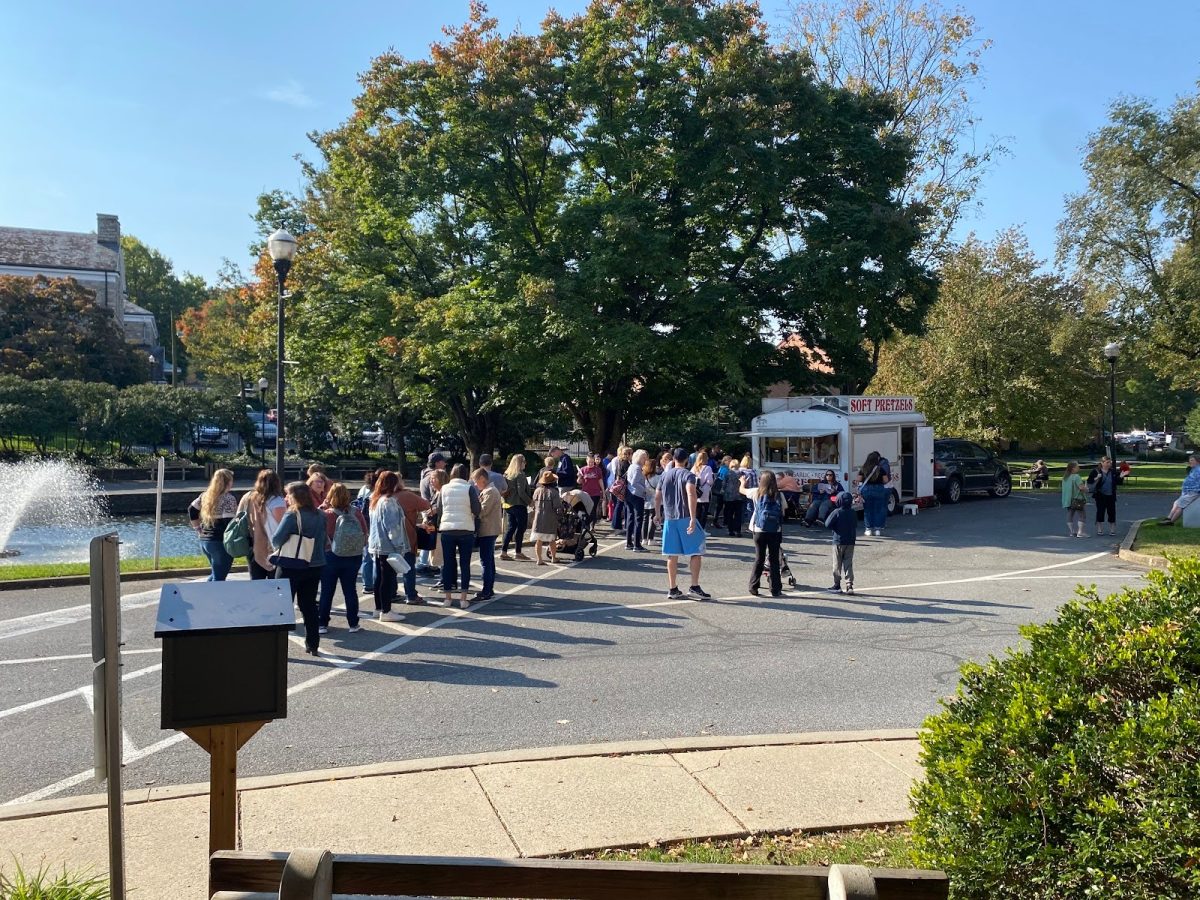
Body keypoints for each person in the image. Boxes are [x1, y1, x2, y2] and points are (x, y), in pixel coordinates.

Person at [271, 482, 328, 655]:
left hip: (291, 564)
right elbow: (324, 538)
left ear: (295, 497)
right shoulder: (320, 515)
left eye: (288, 495)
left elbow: (276, 540)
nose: (286, 498)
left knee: (282, 606)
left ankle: (278, 645)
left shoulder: (292, 516)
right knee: (309, 606)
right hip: (315, 564)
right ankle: (313, 644)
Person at [655, 447, 711, 600]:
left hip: (669, 518)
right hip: (685, 516)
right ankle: (694, 586)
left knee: (671, 555)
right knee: (696, 551)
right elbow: (691, 493)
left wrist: (657, 514)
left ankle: (672, 588)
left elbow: (657, 496)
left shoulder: (664, 476)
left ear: (673, 459)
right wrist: (693, 517)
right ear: (687, 460)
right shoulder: (688, 475)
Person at [318, 483, 367, 634]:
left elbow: (318, 532)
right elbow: (365, 534)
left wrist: (322, 507)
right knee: (350, 590)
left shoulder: (327, 514)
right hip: (353, 556)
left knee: (327, 591)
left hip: (331, 555)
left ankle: (322, 624)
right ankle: (353, 624)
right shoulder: (356, 512)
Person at [433, 463, 480, 608]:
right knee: (465, 564)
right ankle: (463, 599)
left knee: (447, 563)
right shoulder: (469, 488)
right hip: (466, 529)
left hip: (447, 529)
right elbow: (477, 510)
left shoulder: (444, 489)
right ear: (466, 474)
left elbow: (440, 510)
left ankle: (447, 597)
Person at [367, 471, 408, 622]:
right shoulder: (389, 501)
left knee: (379, 577)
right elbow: (392, 527)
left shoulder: (375, 499)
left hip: (376, 544)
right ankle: (386, 611)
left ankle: (378, 608)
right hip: (388, 546)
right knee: (387, 579)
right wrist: (399, 546)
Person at [189, 468, 238, 581]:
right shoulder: (228, 498)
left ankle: (206, 594)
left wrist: (198, 528)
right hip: (219, 542)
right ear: (228, 482)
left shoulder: (205, 496)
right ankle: (208, 597)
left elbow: (192, 510)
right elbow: (228, 523)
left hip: (205, 540)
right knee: (219, 577)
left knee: (215, 574)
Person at [741, 470, 784, 597]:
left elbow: (742, 490)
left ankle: (753, 587)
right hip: (775, 530)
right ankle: (775, 589)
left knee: (759, 558)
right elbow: (783, 511)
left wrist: (743, 482)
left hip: (759, 529)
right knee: (774, 559)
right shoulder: (779, 495)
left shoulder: (756, 492)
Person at [237, 468, 286, 580]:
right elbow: (282, 524)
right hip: (272, 545)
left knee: (256, 582)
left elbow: (238, 516)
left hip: (252, 542)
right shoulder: (277, 500)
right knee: (274, 584)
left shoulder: (248, 497)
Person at [393, 474, 432, 604]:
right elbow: (426, 505)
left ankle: (392, 593)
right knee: (408, 567)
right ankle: (411, 595)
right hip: (407, 536)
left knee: (391, 567)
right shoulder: (407, 496)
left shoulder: (382, 497)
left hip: (390, 538)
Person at [472, 467, 503, 601]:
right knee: (488, 560)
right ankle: (488, 589)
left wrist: (473, 508)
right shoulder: (489, 490)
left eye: (475, 481)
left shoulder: (490, 491)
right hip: (489, 530)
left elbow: (482, 511)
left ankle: (486, 591)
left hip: (488, 531)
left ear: (482, 479)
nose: (474, 484)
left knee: (485, 561)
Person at [417, 453, 447, 574]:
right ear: (437, 463)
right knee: (434, 540)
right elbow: (437, 498)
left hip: (426, 510)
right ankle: (427, 564)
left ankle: (423, 563)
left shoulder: (423, 476)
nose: (445, 464)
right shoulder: (434, 476)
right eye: (443, 461)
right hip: (433, 513)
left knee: (429, 537)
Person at [823, 491, 857, 595]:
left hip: (838, 541)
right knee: (848, 563)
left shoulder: (837, 512)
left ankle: (837, 585)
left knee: (837, 564)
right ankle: (849, 584)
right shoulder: (853, 512)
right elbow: (855, 524)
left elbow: (827, 524)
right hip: (850, 541)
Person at [500, 455, 533, 561]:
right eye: (524, 461)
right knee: (521, 528)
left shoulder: (507, 474)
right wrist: (530, 502)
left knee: (511, 528)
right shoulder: (520, 475)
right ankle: (518, 552)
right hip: (519, 504)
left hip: (507, 504)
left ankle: (503, 551)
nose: (525, 463)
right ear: (520, 463)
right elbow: (521, 492)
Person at [354, 469, 379, 599]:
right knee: (374, 558)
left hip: (362, 525)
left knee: (366, 557)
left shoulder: (363, 489)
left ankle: (367, 585)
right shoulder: (376, 493)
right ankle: (375, 584)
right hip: (372, 526)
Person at [1086, 456, 1124, 537]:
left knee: (1112, 512)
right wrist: (1096, 478)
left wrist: (1121, 476)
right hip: (1100, 495)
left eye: (1110, 462)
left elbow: (1117, 482)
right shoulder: (1096, 471)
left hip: (1111, 495)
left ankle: (1112, 529)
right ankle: (1099, 529)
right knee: (1100, 512)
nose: (1109, 464)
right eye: (1107, 462)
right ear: (1102, 463)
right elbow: (1089, 481)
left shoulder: (1113, 471)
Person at [530, 470, 561, 565]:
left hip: (538, 517)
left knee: (539, 540)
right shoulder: (554, 492)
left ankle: (539, 559)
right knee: (552, 540)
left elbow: (532, 504)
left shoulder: (537, 491)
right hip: (550, 517)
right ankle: (553, 557)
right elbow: (557, 506)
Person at [1160, 454, 1200, 524]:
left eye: (1192, 460)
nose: (1190, 462)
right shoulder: (1193, 469)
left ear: (1198, 461)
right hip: (1187, 492)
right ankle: (1168, 518)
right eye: (1189, 460)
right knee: (1176, 503)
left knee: (1180, 506)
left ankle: (1171, 522)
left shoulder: (1199, 470)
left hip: (1193, 492)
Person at [859, 451, 890, 537]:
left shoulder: (863, 468)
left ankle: (868, 529)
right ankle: (877, 530)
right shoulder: (880, 469)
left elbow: (859, 479)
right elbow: (886, 480)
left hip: (867, 489)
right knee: (878, 510)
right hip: (879, 489)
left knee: (867, 510)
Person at [625, 449, 650, 551]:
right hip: (637, 495)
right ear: (641, 458)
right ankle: (637, 545)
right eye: (645, 458)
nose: (646, 460)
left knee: (630, 518)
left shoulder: (631, 466)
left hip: (629, 494)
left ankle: (629, 543)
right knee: (638, 520)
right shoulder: (637, 468)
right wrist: (645, 490)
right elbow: (634, 482)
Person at [1061, 461, 1087, 538]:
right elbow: (1081, 487)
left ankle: (1072, 531)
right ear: (1073, 468)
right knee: (1082, 515)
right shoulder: (1076, 477)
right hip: (1077, 499)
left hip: (1068, 499)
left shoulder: (1065, 477)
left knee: (1070, 514)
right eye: (1077, 466)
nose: (1079, 468)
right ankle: (1080, 532)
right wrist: (1086, 488)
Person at [608, 447, 631, 530]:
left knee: (618, 505)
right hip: (623, 486)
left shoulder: (619, 461)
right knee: (622, 505)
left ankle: (616, 524)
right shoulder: (626, 463)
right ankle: (618, 524)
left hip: (619, 486)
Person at [579, 454, 605, 522]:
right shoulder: (583, 469)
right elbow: (579, 482)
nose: (591, 463)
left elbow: (600, 481)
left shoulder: (598, 469)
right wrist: (579, 477)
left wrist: (603, 491)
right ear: (586, 461)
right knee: (587, 509)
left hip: (595, 493)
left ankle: (592, 525)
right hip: (585, 492)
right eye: (589, 462)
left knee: (593, 509)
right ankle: (586, 524)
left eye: (592, 462)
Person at [691, 451, 715, 528]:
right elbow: (709, 481)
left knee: (697, 511)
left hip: (695, 490)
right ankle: (702, 529)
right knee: (704, 512)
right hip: (704, 491)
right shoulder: (708, 468)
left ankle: (696, 528)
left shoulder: (694, 467)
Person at [722, 456, 744, 536]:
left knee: (730, 513)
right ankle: (738, 531)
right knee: (738, 514)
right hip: (739, 495)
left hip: (729, 496)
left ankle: (730, 530)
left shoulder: (727, 473)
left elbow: (723, 484)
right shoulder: (741, 474)